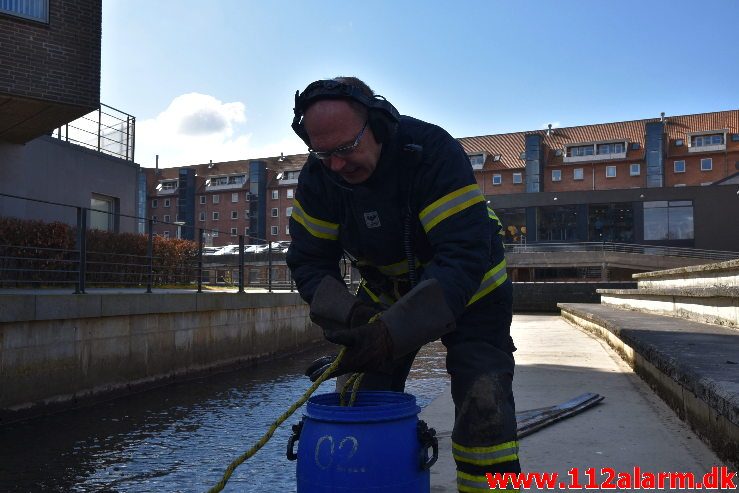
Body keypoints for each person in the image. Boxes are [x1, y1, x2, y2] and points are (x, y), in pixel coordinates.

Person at [286, 76, 520, 491]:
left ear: (377, 123)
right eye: (322, 153)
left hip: (475, 294)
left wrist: (390, 334)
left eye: (345, 149)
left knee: (484, 401)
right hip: (385, 295)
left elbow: (462, 258)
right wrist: (354, 318)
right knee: (359, 400)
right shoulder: (319, 178)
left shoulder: (431, 152)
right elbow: (309, 261)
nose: (337, 164)